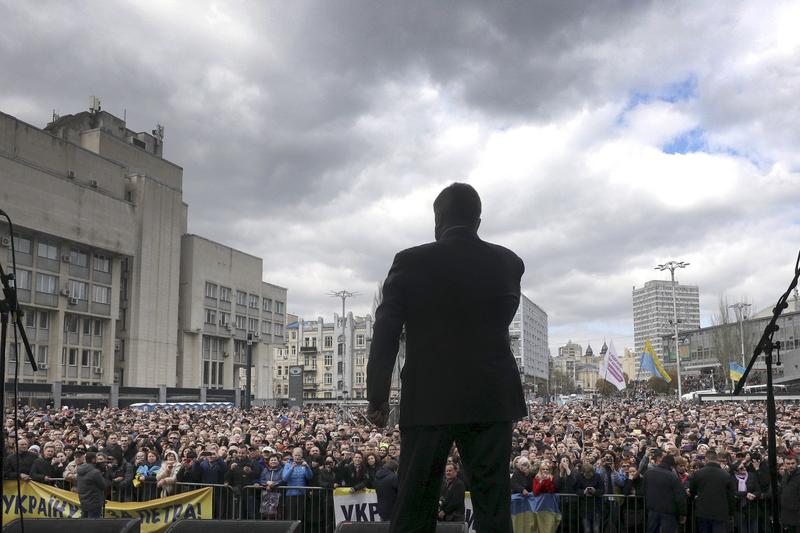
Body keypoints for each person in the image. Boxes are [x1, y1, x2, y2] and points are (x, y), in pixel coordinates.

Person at [367, 182, 527, 532]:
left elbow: (385, 334)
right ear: (478, 220)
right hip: (491, 397)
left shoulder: (409, 262)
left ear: (438, 220)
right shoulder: (509, 263)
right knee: (493, 506)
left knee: (415, 504)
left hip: (428, 397)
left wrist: (377, 398)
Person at [688, 450, 735, 533]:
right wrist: (731, 511)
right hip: (721, 512)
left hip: (703, 511)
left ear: (706, 459)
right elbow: (731, 495)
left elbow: (692, 491)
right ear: (716, 459)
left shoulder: (698, 473)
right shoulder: (725, 475)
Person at [642, 453, 686, 533]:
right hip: (669, 513)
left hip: (652, 510)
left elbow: (643, 490)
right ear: (672, 466)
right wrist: (682, 513)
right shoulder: (673, 477)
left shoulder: (648, 473)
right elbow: (680, 496)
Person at [77, 451, 108, 518]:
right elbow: (103, 485)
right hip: (94, 501)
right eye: (96, 458)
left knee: (84, 522)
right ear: (93, 459)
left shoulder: (79, 469)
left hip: (84, 500)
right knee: (93, 524)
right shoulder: (95, 472)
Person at [781, 455, 800, 533]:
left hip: (798, 512)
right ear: (784, 464)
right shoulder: (785, 475)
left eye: (792, 463)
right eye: (788, 464)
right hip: (787, 512)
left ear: (797, 463)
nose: (790, 465)